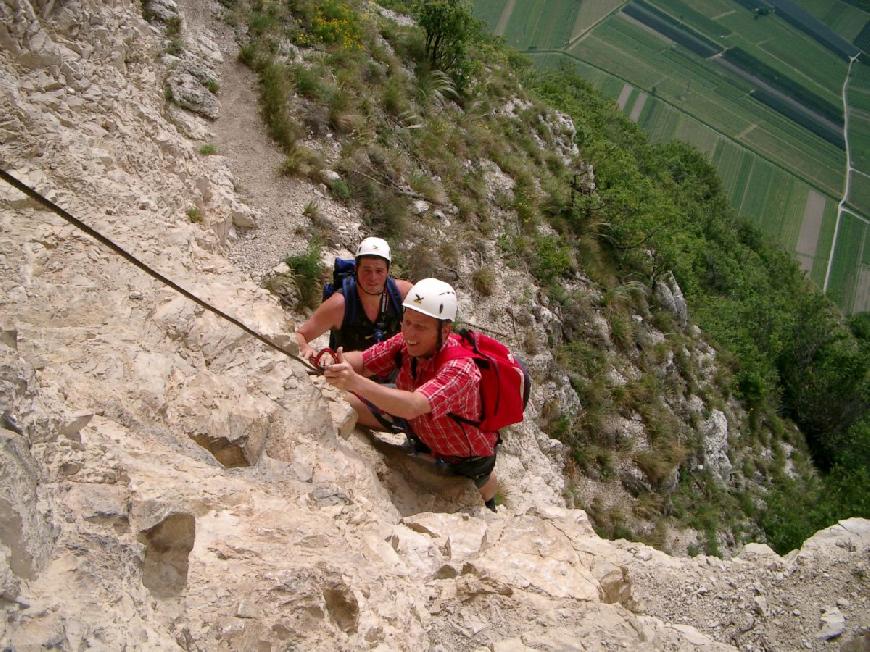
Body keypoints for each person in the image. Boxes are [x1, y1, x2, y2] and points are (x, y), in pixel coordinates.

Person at [323, 278, 500, 511]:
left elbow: (413, 405)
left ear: (445, 331)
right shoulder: (405, 343)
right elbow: (365, 362)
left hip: (464, 458)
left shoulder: (460, 369)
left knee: (482, 488)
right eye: (407, 322)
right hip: (418, 426)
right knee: (345, 402)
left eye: (421, 326)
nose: (410, 333)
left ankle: (489, 496)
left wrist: (355, 382)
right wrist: (331, 360)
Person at [294, 237, 413, 363]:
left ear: (388, 271)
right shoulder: (339, 305)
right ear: (356, 269)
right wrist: (308, 350)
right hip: (348, 375)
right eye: (366, 270)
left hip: (397, 374)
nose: (373, 277)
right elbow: (300, 335)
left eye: (379, 271)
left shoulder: (403, 294)